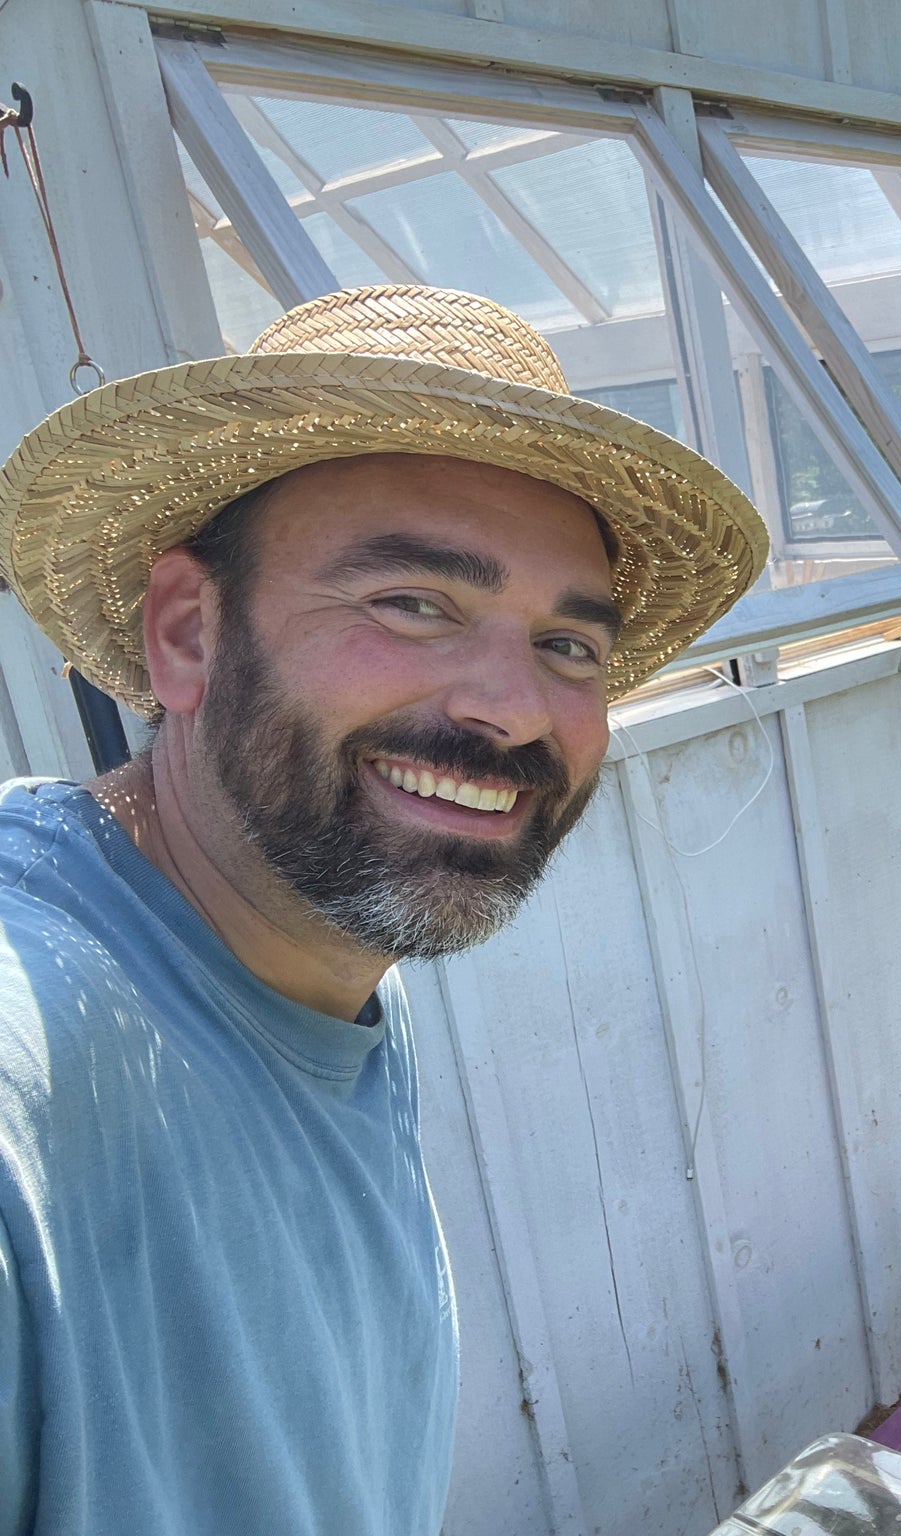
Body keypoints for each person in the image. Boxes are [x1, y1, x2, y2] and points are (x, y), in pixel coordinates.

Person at [0, 285, 767, 1533]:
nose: (513, 710)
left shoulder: (333, 954)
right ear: (188, 634)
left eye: (570, 646)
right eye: (413, 603)